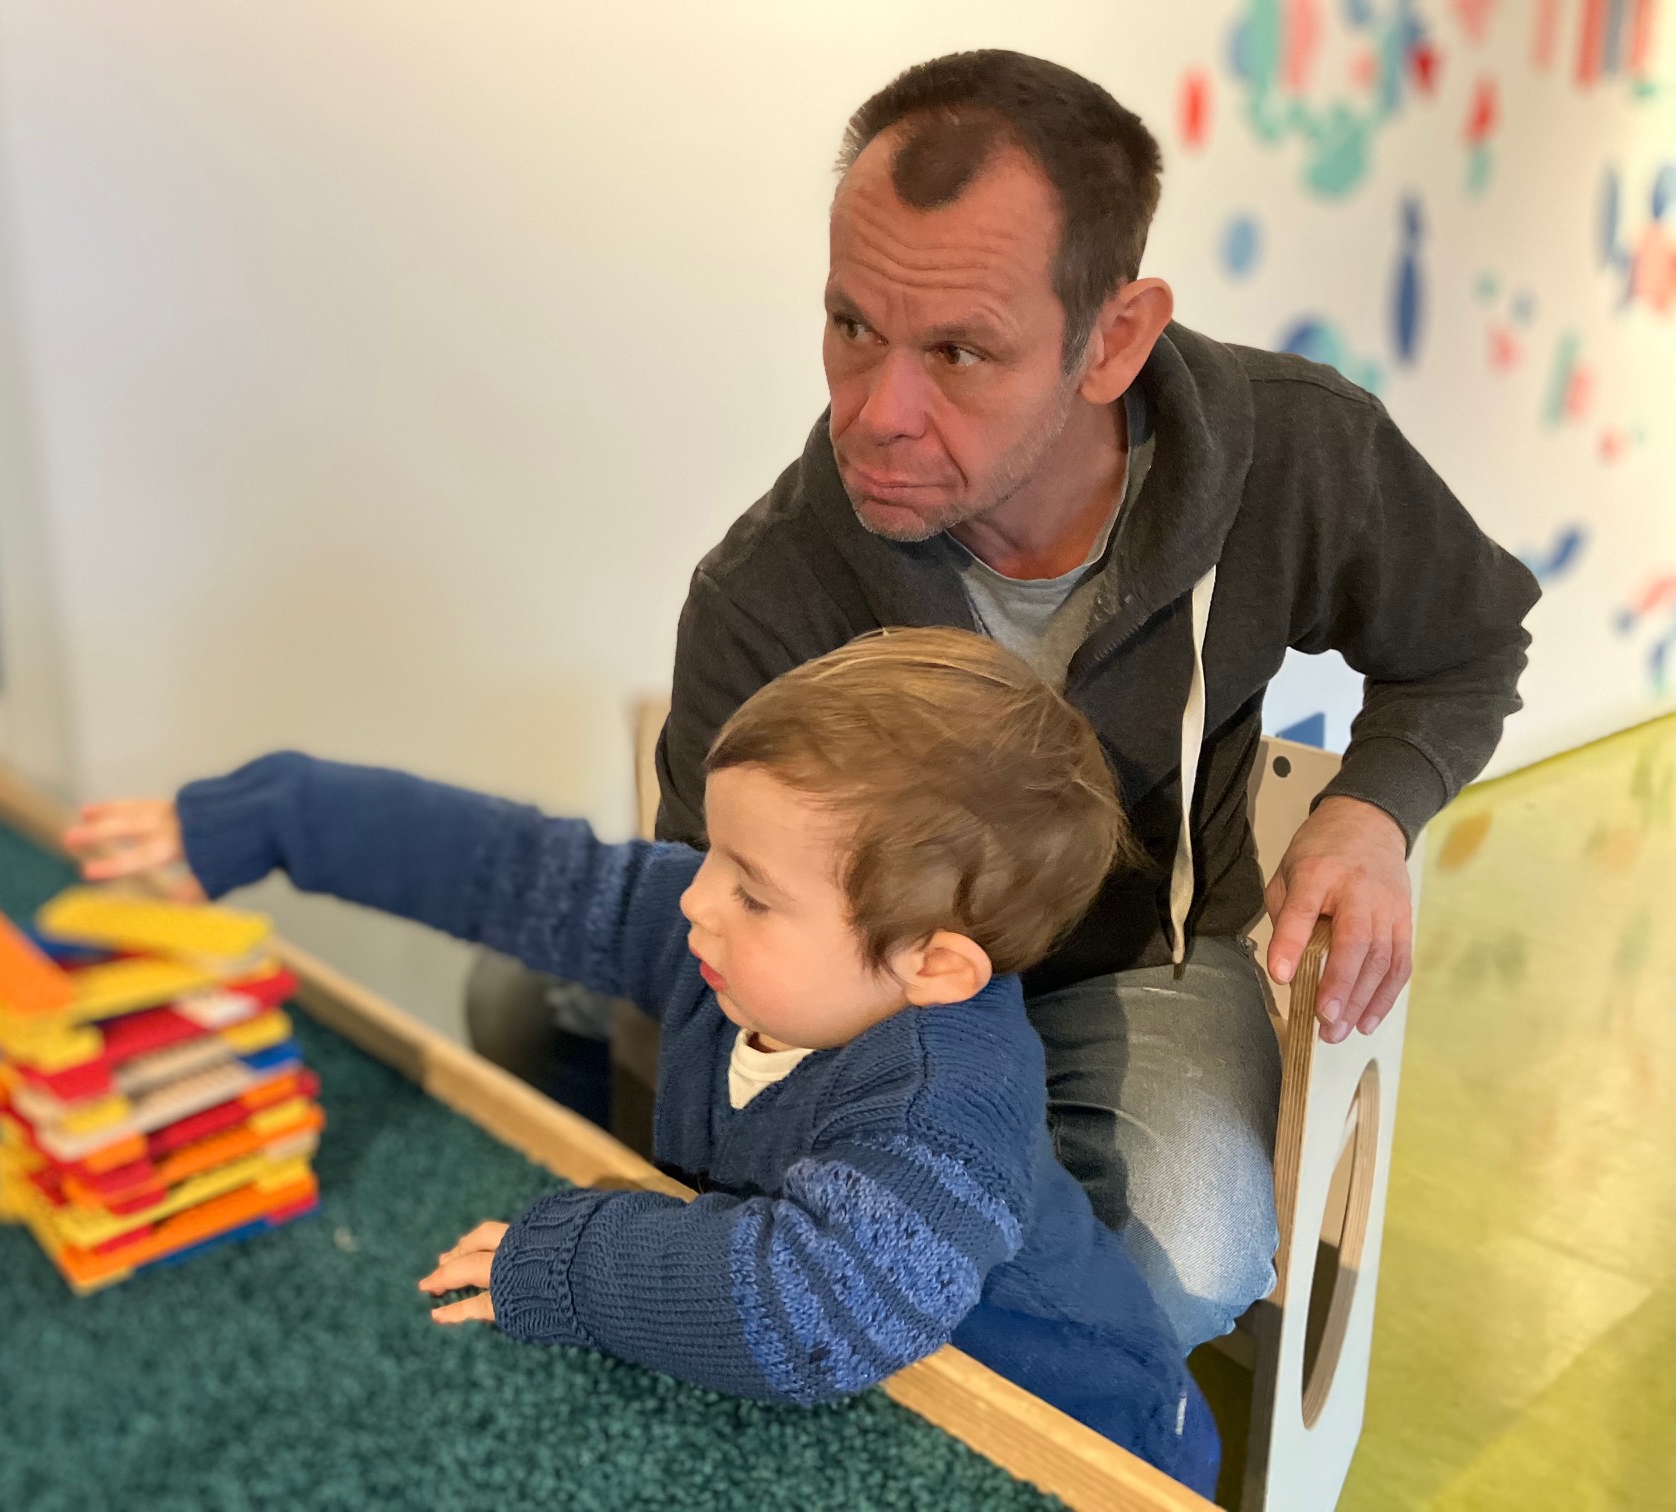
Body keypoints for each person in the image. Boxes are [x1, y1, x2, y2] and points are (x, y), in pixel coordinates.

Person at [645, 50, 1542, 1351]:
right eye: (852, 327)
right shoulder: (763, 588)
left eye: (960, 350)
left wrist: (1373, 808)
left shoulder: (1303, 451)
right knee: (835, 1246)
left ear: (1113, 339)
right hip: (868, 1002)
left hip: (1147, 964)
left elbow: (1467, 645)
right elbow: (703, 926)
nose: (878, 413)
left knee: (1174, 1254)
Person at [65, 629, 1221, 1494]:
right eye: (714, 852)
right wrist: (278, 817)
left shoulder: (949, 1098)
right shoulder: (728, 942)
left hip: (1089, 1452)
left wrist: (574, 1261)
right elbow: (515, 867)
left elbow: (810, 1308)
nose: (698, 902)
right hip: (892, 1406)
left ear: (934, 966)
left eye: (752, 891)